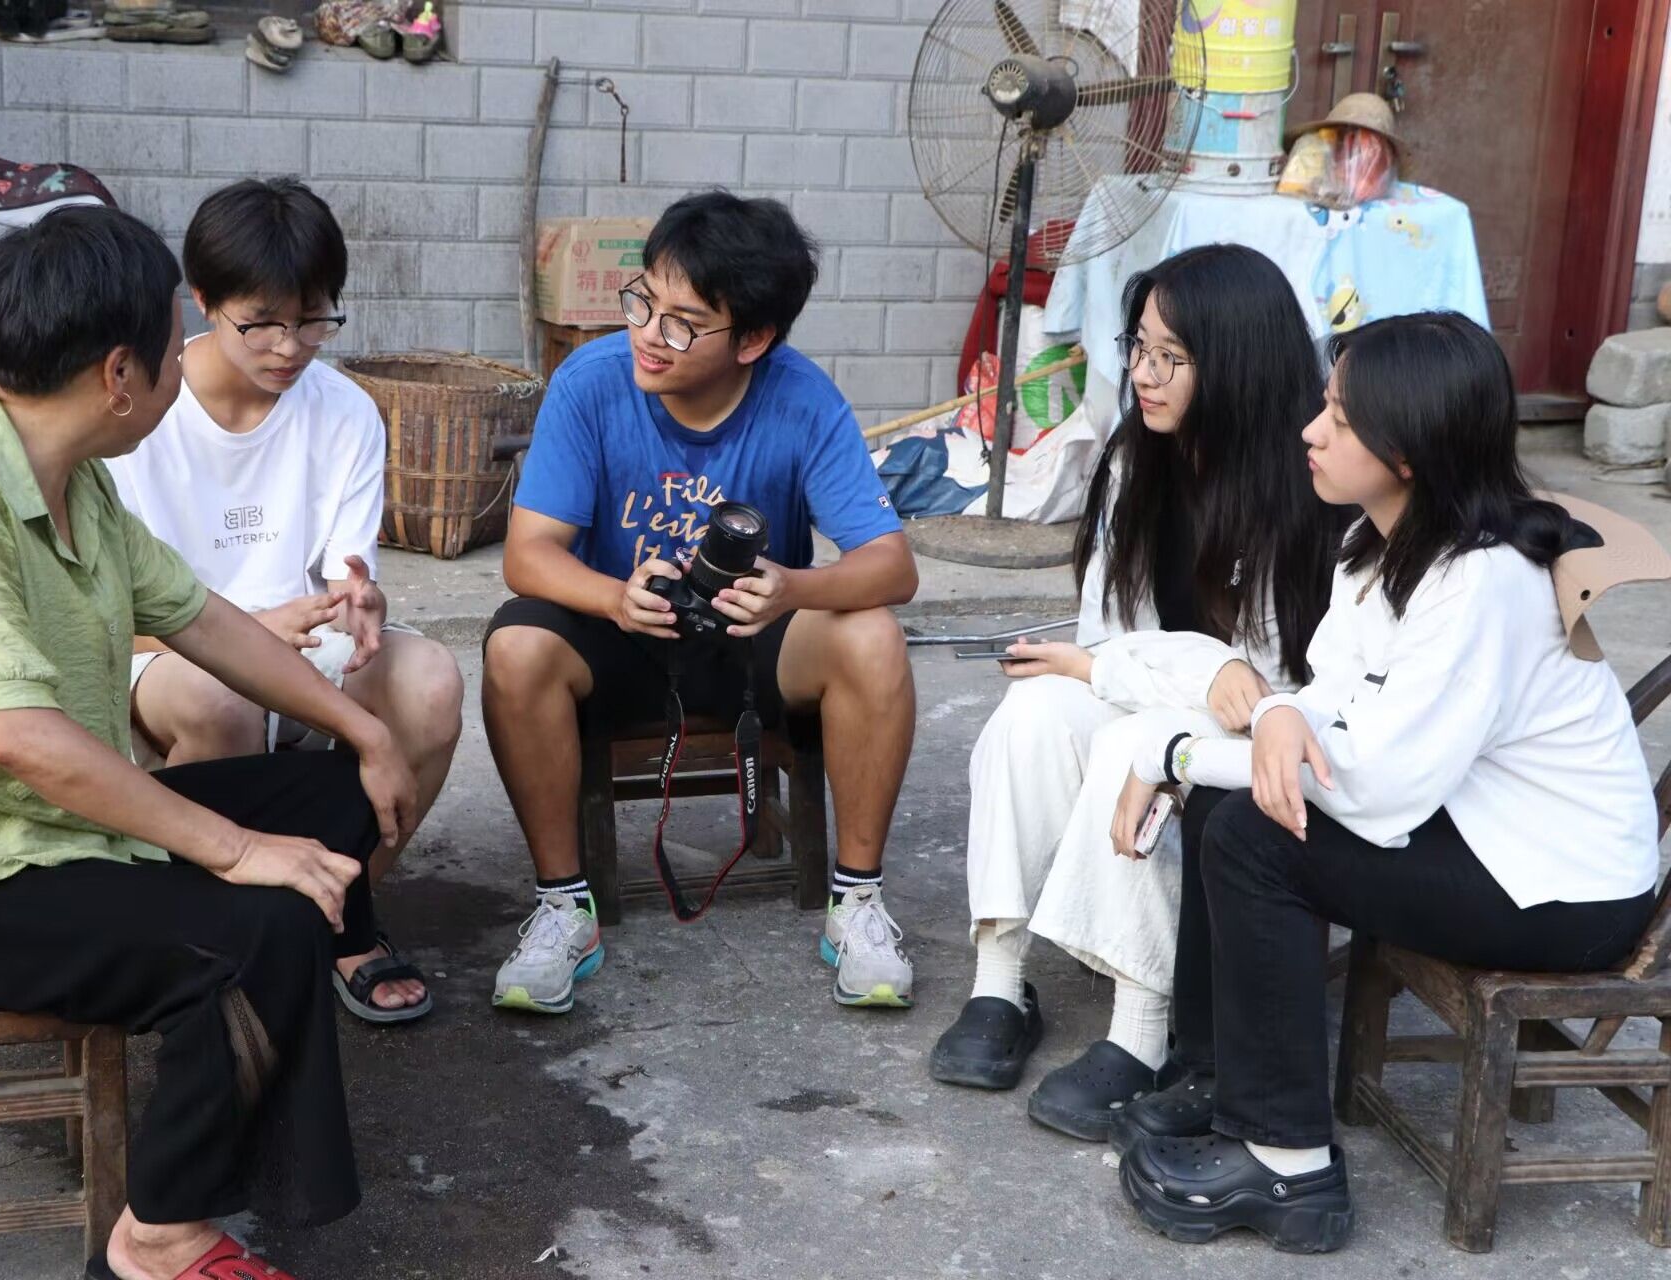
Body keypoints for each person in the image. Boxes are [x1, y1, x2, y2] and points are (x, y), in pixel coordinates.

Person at [0, 207, 411, 1280]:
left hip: (40, 823)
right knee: (257, 934)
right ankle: (156, 1236)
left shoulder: (61, 464)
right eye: (174, 347)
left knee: (337, 799)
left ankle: (229, 1087)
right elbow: (24, 742)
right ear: (122, 374)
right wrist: (233, 848)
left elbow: (198, 618)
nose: (184, 367)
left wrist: (364, 726)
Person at [1110, 311, 1663, 1252]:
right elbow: (1329, 701)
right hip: (1484, 829)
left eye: (1340, 418)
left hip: (1568, 890)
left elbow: (1372, 790)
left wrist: (1168, 754)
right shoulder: (1380, 543)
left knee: (1255, 837)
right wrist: (1274, 719)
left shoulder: (1482, 582)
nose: (1310, 431)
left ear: (1406, 450)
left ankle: (1289, 1168)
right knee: (1234, 807)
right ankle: (1223, 1080)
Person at [931, 245, 1347, 1133]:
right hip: (1157, 688)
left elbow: (1262, 686)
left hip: (1269, 736)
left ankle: (1141, 1030)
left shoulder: (1303, 484)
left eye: (1172, 357)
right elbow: (1106, 641)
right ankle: (1000, 982)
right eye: (1139, 348)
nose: (1143, 375)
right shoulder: (1137, 460)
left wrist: (1169, 677)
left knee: (1135, 743)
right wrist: (1174, 669)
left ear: (1234, 363)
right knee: (1034, 709)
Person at [481, 191, 920, 1014]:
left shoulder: (801, 398)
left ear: (753, 339)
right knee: (516, 646)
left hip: (755, 649)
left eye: (684, 323)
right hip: (622, 639)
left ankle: (857, 901)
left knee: (871, 636)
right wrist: (615, 598)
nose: (649, 334)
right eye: (643, 301)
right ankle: (563, 908)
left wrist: (793, 588)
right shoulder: (590, 383)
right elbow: (526, 555)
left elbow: (892, 566)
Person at [106, 177, 463, 1025]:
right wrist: (247, 633)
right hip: (166, 653)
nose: (290, 346)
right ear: (203, 301)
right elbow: (110, 614)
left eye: (313, 320)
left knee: (431, 683)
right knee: (223, 694)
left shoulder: (344, 409)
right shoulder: (140, 413)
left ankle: (339, 918)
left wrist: (361, 601)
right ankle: (217, 934)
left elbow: (344, 575)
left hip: (300, 639)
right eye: (261, 322)